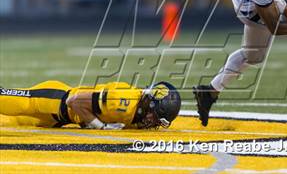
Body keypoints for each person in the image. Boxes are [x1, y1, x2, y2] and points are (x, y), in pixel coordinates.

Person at [0, 80, 181, 130]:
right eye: (155, 116)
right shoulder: (122, 101)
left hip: (58, 120)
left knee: (10, 123)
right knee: (8, 101)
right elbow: (74, 102)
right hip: (55, 101)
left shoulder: (137, 113)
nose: (153, 122)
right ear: (148, 103)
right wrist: (101, 126)